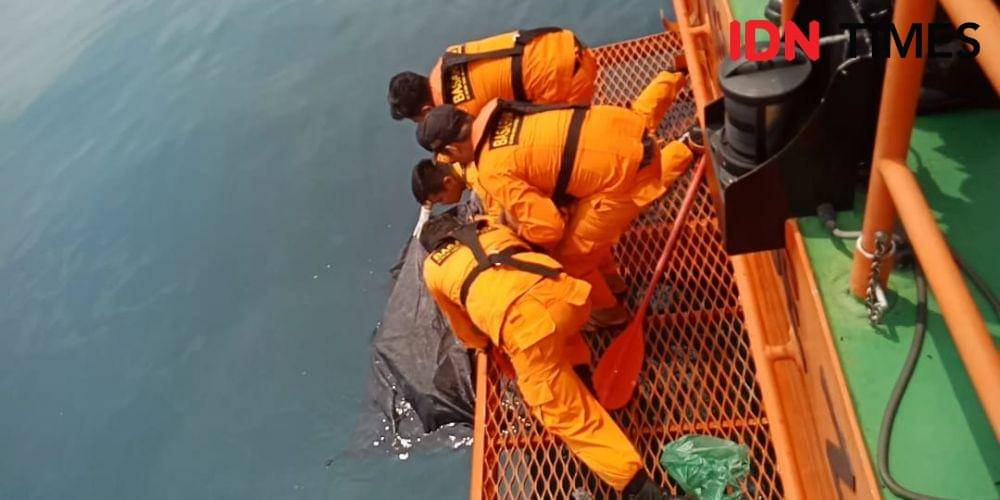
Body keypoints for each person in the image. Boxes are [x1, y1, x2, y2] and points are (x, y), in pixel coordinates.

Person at [419, 213, 674, 499]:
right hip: (570, 297)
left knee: (563, 413)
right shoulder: (488, 226)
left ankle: (639, 488)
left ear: (433, 249)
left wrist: (483, 344)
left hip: (527, 327)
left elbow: (466, 330)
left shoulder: (433, 267)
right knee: (556, 332)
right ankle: (582, 381)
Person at [412, 72, 693, 325]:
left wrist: (518, 236)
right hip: (621, 123)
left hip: (625, 172)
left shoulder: (492, 169)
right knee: (585, 219)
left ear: (451, 150)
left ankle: (611, 316)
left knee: (568, 258)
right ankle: (679, 88)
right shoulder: (497, 113)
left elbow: (549, 228)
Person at [388, 27, 597, 122]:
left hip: (573, 79)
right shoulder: (450, 57)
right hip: (561, 40)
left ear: (426, 110)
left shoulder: (459, 114)